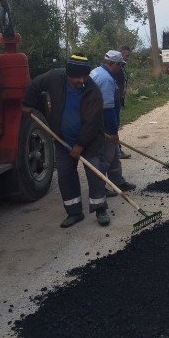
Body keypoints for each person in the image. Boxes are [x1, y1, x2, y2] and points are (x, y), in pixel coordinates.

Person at [22, 54, 112, 227]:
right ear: (68, 74)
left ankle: (100, 209)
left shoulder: (93, 91)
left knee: (95, 172)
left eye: (84, 76)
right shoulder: (55, 77)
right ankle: (74, 212)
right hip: (63, 139)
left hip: (90, 139)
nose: (81, 80)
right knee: (65, 174)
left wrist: (80, 144)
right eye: (77, 77)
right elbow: (35, 85)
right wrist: (27, 103)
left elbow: (92, 123)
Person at [90, 50, 137, 198]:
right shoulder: (106, 79)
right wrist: (113, 132)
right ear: (114, 64)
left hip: (100, 122)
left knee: (114, 154)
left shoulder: (96, 71)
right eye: (120, 65)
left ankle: (118, 181)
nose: (121, 68)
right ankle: (100, 188)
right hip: (104, 125)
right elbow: (107, 110)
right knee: (105, 157)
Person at [114, 46, 132, 159]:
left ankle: (116, 150)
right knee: (113, 126)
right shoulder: (116, 69)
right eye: (126, 56)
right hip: (114, 101)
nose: (128, 58)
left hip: (118, 100)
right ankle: (117, 151)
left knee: (115, 126)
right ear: (120, 55)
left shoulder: (121, 68)